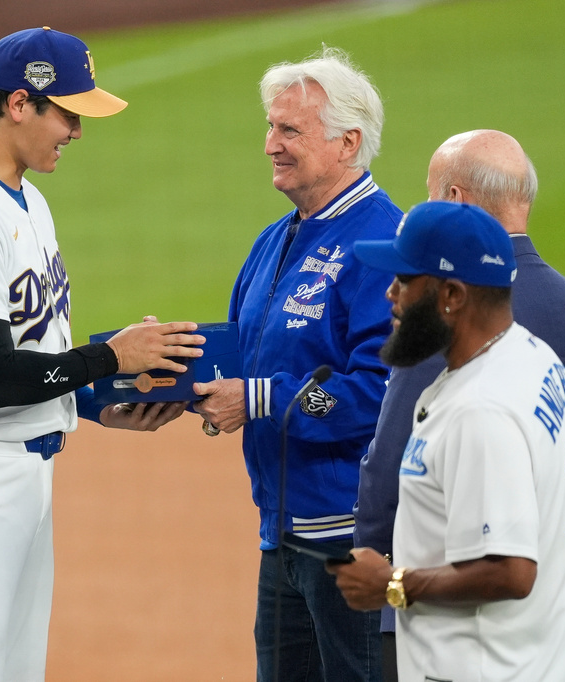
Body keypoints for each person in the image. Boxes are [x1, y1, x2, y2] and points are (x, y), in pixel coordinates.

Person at [0, 27, 205, 682]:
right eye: (68, 112)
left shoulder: (26, 199)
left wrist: (97, 403)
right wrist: (109, 359)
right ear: (19, 104)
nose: (77, 129)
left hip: (16, 479)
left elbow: (32, 354)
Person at [352, 129, 565, 681]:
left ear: (451, 296)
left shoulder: (477, 405)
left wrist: (388, 583)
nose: (390, 297)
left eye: (403, 281)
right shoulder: (537, 356)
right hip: (555, 643)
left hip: (489, 657)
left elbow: (509, 571)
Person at [194, 47, 399, 681]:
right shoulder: (275, 239)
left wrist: (257, 399)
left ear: (348, 143)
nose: (270, 145)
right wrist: (170, 373)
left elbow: (380, 393)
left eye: (290, 130)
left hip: (350, 537)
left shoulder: (382, 243)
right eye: (271, 127)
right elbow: (242, 353)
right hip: (281, 533)